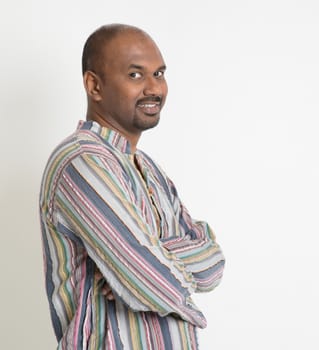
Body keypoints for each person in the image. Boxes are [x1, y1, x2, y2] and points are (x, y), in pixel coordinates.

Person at [39, 23, 225, 350]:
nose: (154, 88)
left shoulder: (150, 169)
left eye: (159, 73)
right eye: (136, 75)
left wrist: (152, 258)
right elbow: (147, 279)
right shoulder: (82, 161)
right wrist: (144, 269)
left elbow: (213, 263)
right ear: (94, 85)